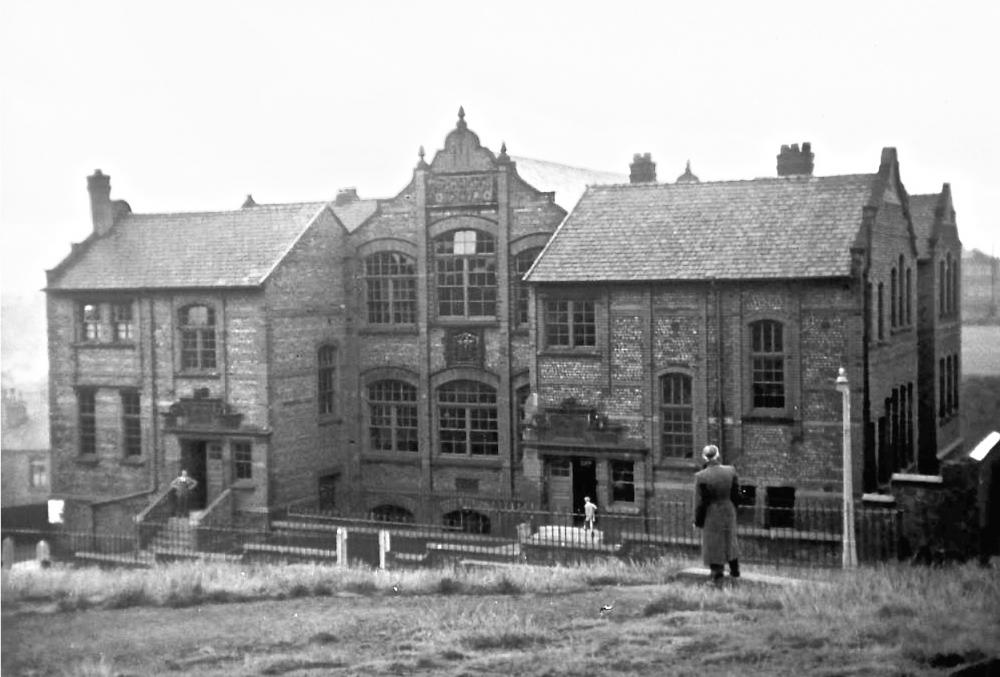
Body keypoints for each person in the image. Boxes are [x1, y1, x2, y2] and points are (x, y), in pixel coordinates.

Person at [693, 445, 740, 585]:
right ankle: (735, 570)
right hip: (728, 508)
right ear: (718, 455)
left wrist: (698, 520)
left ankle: (717, 575)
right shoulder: (731, 471)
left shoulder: (701, 476)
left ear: (704, 457)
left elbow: (700, 501)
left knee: (714, 543)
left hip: (712, 512)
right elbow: (737, 493)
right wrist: (733, 507)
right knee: (730, 539)